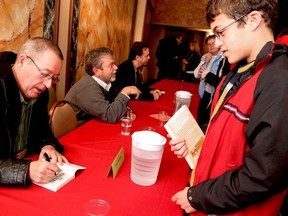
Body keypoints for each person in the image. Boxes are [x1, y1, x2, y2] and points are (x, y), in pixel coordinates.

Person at [169, 0, 288, 215]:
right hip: (214, 197)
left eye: (221, 32)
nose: (218, 42)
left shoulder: (279, 79)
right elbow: (230, 137)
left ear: (253, 20)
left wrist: (198, 197)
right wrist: (196, 145)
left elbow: (264, 174)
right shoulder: (237, 72)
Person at [0, 37, 68, 187]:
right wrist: (26, 170)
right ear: (22, 61)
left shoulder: (40, 92)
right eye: (44, 74)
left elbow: (43, 131)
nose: (49, 85)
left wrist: (47, 145)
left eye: (54, 78)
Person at [64, 47, 141, 125]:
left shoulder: (107, 81)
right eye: (111, 65)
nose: (116, 67)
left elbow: (112, 103)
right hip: (77, 130)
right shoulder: (88, 88)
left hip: (93, 123)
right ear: (96, 71)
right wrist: (125, 92)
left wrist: (125, 109)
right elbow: (110, 115)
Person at [194, 35, 229, 131]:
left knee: (208, 122)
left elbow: (220, 81)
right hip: (205, 92)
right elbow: (196, 74)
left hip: (214, 94)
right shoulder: (206, 57)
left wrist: (206, 75)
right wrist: (203, 62)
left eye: (213, 43)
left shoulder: (223, 58)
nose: (211, 46)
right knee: (200, 118)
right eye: (209, 44)